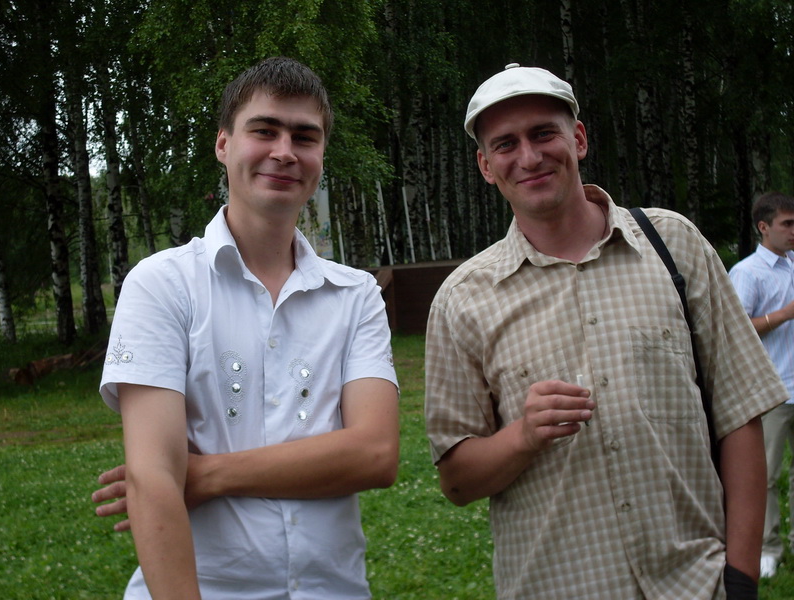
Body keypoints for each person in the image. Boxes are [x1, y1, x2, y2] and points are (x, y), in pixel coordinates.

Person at [424, 63, 787, 599]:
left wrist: (740, 579)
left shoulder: (674, 245)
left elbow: (740, 414)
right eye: (505, 144)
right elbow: (457, 481)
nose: (529, 157)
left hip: (695, 584)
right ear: (485, 166)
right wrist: (522, 436)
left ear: (578, 138)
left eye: (543, 133)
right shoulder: (463, 299)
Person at [91, 57, 400, 599]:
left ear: (321, 155)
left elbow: (375, 454)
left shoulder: (356, 296)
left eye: (305, 136)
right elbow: (153, 479)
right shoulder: (162, 285)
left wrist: (207, 474)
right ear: (223, 144)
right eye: (264, 130)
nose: (285, 151)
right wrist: (170, 475)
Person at [728, 191, 794, 579]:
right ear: (764, 227)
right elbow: (735, 330)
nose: (793, 231)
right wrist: (783, 315)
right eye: (787, 224)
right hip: (772, 391)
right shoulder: (747, 273)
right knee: (765, 477)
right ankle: (768, 548)